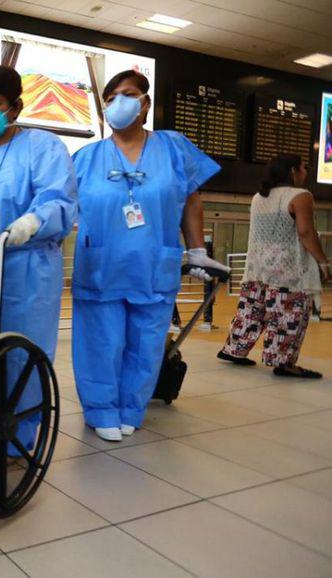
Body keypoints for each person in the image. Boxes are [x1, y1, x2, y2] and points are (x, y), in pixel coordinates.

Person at [71, 70, 229, 442]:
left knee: (146, 342)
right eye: (110, 98)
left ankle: (131, 408)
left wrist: (196, 251)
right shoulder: (85, 158)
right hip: (101, 265)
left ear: (145, 104)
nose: (117, 103)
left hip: (153, 262)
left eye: (127, 95)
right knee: (101, 340)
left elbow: (191, 197)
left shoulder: (174, 148)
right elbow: (60, 207)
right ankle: (101, 409)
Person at [0, 64, 77, 453]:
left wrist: (34, 220)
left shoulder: (43, 147)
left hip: (27, 265)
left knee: (20, 352)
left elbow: (59, 198)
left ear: (15, 107)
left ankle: (15, 437)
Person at [218, 154, 329, 378]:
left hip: (258, 266)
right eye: (303, 168)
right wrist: (322, 261)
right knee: (289, 314)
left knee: (251, 310)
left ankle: (234, 350)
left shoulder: (259, 197)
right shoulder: (301, 196)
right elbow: (306, 232)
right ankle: (283, 362)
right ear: (292, 171)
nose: (305, 172)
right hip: (287, 269)